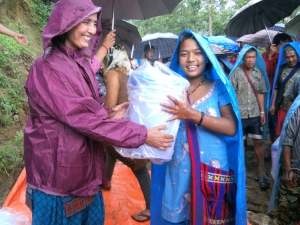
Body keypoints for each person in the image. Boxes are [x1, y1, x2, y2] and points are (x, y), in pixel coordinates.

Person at [23, 1, 174, 224]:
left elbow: (83, 109)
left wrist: (108, 112)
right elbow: (80, 116)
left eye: (94, 24)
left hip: (84, 166)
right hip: (58, 174)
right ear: (67, 23)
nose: (93, 30)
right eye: (86, 22)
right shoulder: (48, 67)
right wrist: (142, 134)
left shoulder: (77, 63)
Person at [151, 30, 247, 225]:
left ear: (207, 56)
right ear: (178, 58)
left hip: (211, 174)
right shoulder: (170, 91)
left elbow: (231, 127)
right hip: (179, 173)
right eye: (184, 53)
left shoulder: (218, 88)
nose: (191, 59)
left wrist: (193, 115)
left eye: (198, 52)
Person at [101, 44, 151, 222]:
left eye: (102, 58)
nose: (99, 64)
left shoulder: (113, 74)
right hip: (129, 123)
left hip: (119, 126)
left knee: (137, 165)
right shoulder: (128, 73)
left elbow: (110, 108)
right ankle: (106, 181)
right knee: (109, 149)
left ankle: (151, 207)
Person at [229, 45, 270, 190]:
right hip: (239, 115)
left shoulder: (258, 73)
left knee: (258, 143)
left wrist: (262, 112)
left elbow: (260, 93)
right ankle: (240, 172)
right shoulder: (236, 73)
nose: (250, 60)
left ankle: (261, 171)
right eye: (248, 57)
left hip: (254, 114)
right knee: (242, 145)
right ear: (243, 58)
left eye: (253, 57)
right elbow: (231, 93)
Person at [268, 88, 300, 225]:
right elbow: (288, 139)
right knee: (286, 213)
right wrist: (288, 168)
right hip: (295, 172)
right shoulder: (298, 110)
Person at [261, 33, 292, 144]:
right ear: (281, 42)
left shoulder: (287, 56)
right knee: (271, 121)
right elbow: (265, 74)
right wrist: (270, 56)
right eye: (286, 42)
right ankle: (274, 145)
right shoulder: (265, 55)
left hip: (283, 92)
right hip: (269, 92)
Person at [269, 43, 300, 138]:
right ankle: (278, 152)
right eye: (287, 57)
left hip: (297, 108)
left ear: (298, 55)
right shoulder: (281, 68)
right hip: (283, 106)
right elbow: (276, 87)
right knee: (281, 133)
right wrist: (273, 104)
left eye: (293, 56)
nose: (290, 59)